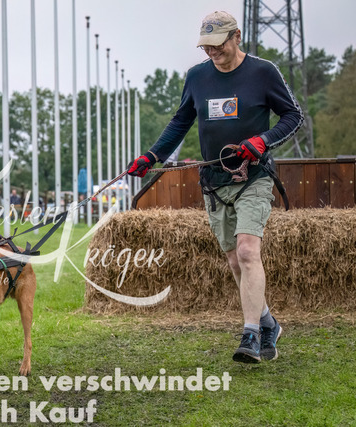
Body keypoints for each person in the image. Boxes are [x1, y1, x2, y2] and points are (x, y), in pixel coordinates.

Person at [127, 11, 303, 364]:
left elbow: (293, 116)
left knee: (248, 252)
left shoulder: (263, 72)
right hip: (215, 183)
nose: (212, 52)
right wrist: (152, 155)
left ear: (236, 36)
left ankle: (251, 334)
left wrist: (262, 141)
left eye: (218, 44)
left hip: (253, 177)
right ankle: (268, 322)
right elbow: (180, 122)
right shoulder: (197, 77)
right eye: (206, 46)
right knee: (235, 261)